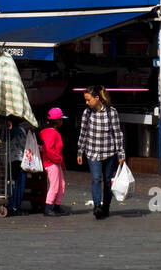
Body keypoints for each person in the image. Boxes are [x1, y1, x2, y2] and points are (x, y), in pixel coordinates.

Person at [76, 86, 124, 220]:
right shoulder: (87, 113)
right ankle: (97, 206)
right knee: (96, 178)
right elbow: (83, 132)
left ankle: (106, 206)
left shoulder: (111, 112)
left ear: (97, 98)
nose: (87, 103)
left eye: (88, 100)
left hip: (109, 152)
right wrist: (80, 151)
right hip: (92, 152)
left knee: (108, 180)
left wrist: (121, 154)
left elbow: (117, 133)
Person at [40, 107, 67, 216]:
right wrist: (58, 160)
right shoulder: (52, 133)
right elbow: (49, 149)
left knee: (61, 185)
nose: (62, 122)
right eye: (61, 119)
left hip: (55, 163)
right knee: (55, 185)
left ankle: (56, 206)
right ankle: (48, 207)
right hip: (52, 163)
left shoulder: (50, 132)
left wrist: (61, 163)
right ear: (57, 121)